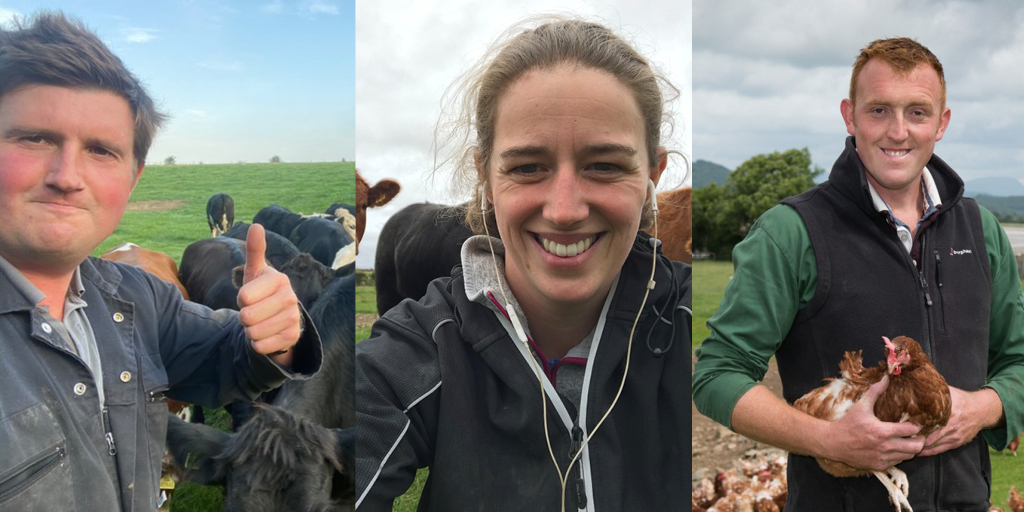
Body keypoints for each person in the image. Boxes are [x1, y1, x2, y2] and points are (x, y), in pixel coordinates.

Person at [355, 18, 692, 511]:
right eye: (527, 167)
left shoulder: (690, 322)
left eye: (606, 165)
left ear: (652, 176)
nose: (564, 210)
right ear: (485, 178)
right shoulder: (413, 353)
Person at [0, 13, 321, 510]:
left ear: (132, 178)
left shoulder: (136, 297)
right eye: (34, 138)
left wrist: (277, 337)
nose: (67, 176)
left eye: (101, 150)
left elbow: (224, 355)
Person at [692, 37, 1024, 510]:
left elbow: (1018, 360)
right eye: (878, 111)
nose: (898, 131)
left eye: (917, 112)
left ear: (942, 123)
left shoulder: (981, 229)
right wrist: (829, 440)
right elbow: (718, 373)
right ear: (849, 115)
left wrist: (982, 408)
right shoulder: (792, 232)